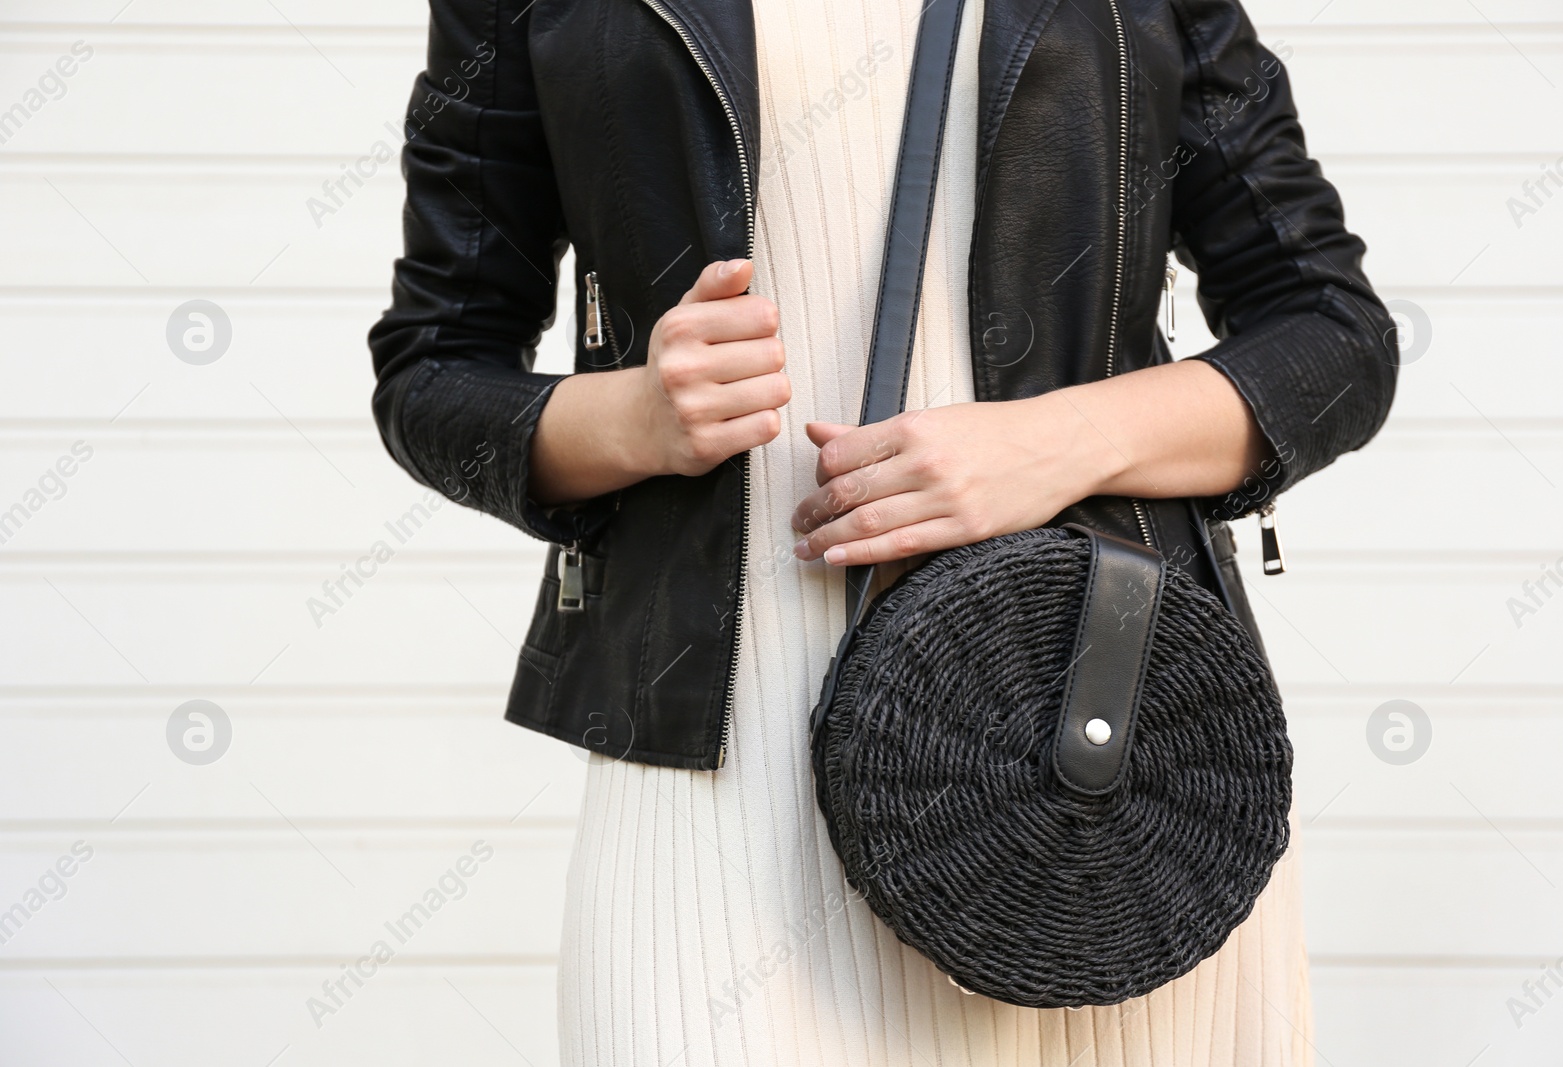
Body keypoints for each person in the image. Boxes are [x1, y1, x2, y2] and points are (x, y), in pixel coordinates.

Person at [369, 0, 1397, 1063]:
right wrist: (631, 417)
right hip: (716, 785)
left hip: (1088, 771)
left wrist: (1052, 443)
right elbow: (433, 369)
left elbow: (1334, 336)